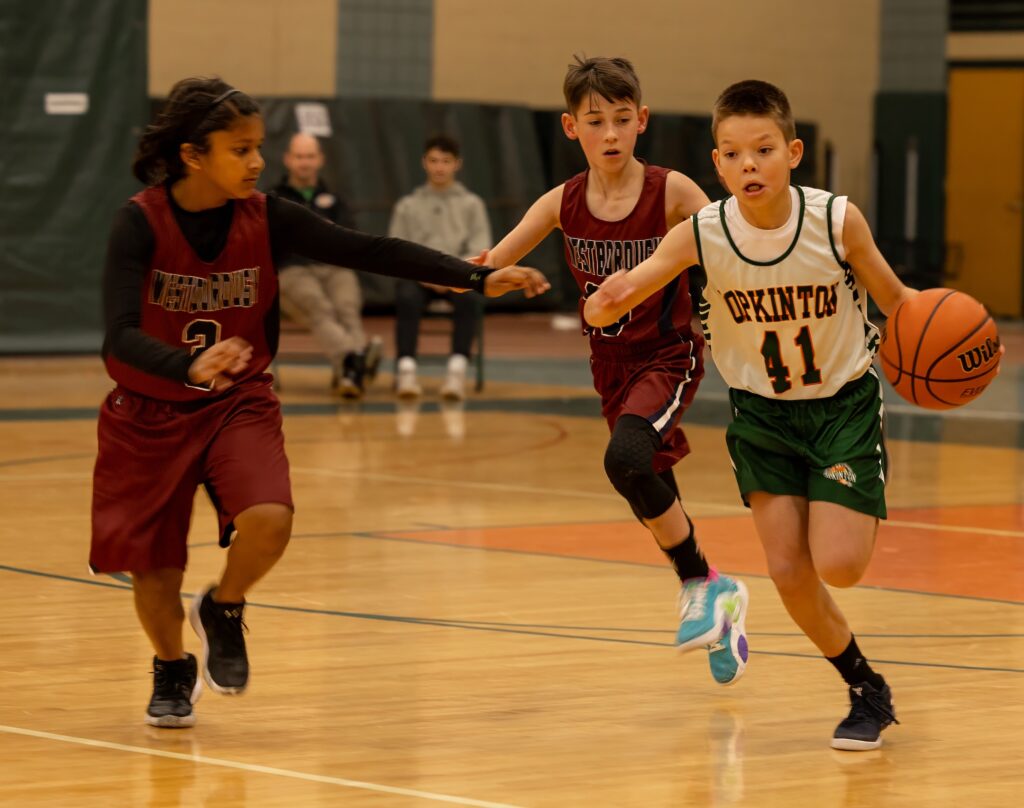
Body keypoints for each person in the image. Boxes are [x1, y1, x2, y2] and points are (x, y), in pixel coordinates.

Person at [93, 77, 549, 729]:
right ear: (193, 155)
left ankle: (224, 605)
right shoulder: (139, 222)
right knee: (154, 570)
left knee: (272, 519)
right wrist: (188, 363)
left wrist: (475, 277)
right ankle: (170, 665)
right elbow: (118, 336)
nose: (257, 162)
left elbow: (369, 250)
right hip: (149, 410)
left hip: (236, 403)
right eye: (241, 149)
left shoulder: (267, 213)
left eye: (259, 147)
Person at [585, 79, 916, 751]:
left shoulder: (835, 221)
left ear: (792, 152)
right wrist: (607, 300)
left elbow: (899, 300)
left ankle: (856, 507)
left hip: (841, 407)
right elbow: (638, 278)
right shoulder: (704, 232)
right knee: (790, 573)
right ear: (717, 164)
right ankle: (865, 690)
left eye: (763, 150)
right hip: (761, 414)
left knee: (842, 564)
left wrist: (944, 335)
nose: (749, 166)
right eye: (733, 155)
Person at [482, 56, 751, 687]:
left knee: (626, 460)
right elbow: (488, 266)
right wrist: (488, 275)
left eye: (622, 120)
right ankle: (719, 600)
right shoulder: (562, 202)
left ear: (642, 122)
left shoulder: (674, 192)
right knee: (642, 477)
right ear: (570, 127)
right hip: (608, 364)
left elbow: (735, 249)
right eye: (595, 120)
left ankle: (701, 584)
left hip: (668, 353)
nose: (610, 133)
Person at [271, 132, 381, 398]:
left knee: (346, 308)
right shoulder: (273, 199)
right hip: (292, 270)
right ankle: (356, 362)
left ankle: (349, 374)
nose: (304, 162)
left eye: (309, 156)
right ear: (288, 160)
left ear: (319, 160)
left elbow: (348, 238)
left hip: (334, 268)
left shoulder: (335, 200)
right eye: (299, 156)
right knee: (319, 306)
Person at [388, 135, 491, 400]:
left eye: (446, 161)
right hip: (419, 278)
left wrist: (452, 277)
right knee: (406, 296)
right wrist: (427, 276)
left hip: (458, 277)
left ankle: (457, 371)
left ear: (457, 164)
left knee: (470, 298)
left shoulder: (472, 204)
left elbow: (481, 250)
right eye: (434, 161)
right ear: (425, 163)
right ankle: (406, 370)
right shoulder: (408, 205)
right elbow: (396, 250)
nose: (439, 167)